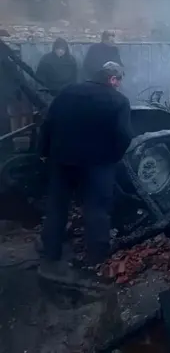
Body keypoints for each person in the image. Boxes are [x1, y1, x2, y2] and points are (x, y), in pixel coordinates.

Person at [38, 62, 133, 287]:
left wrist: (44, 152)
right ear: (112, 79)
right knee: (97, 209)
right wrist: (113, 157)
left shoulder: (68, 91)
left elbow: (47, 123)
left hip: (62, 161)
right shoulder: (118, 101)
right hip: (97, 165)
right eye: (119, 81)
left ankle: (51, 253)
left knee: (57, 206)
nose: (119, 85)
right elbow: (125, 136)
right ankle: (96, 258)